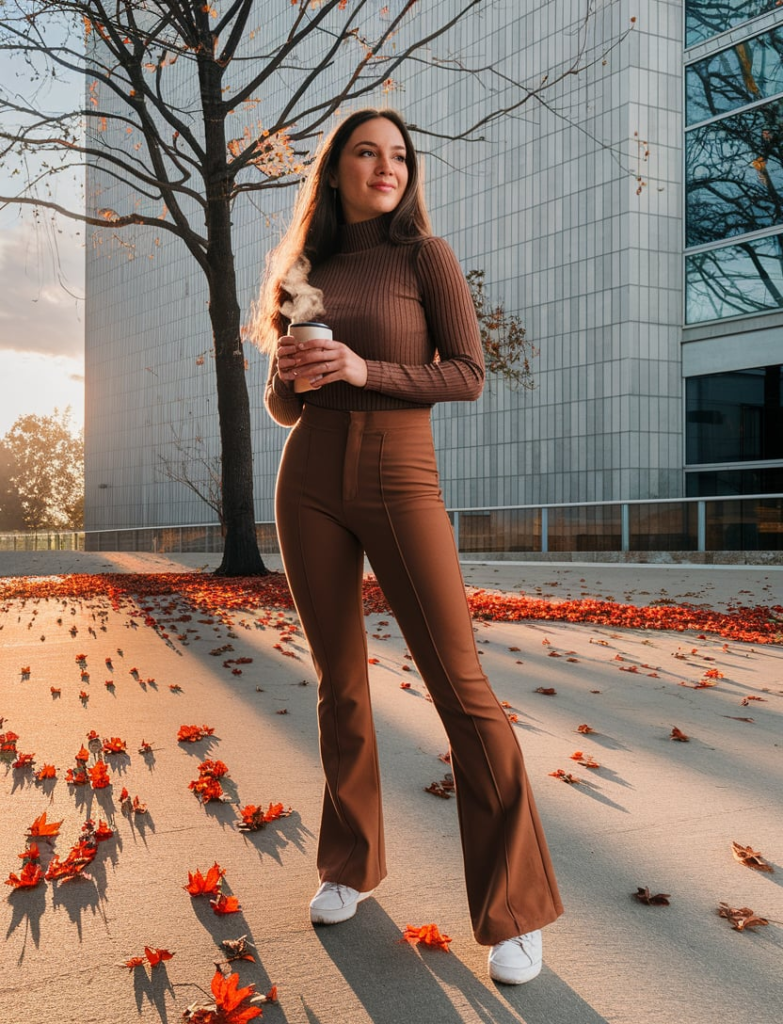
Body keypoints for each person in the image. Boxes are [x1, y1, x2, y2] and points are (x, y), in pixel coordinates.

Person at [254, 108, 563, 985]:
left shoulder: (424, 256)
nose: (385, 166)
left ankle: (514, 910)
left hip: (400, 476)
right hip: (308, 478)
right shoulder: (304, 269)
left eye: (397, 155)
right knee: (339, 684)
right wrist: (288, 376)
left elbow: (465, 373)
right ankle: (349, 864)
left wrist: (362, 370)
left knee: (460, 685)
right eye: (366, 152)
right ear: (337, 168)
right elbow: (288, 406)